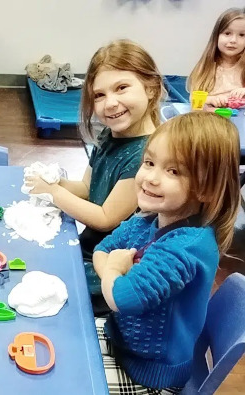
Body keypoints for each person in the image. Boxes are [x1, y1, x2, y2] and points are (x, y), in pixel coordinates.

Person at [93, 112, 241, 392]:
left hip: (150, 376)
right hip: (122, 343)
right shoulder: (148, 219)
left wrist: (113, 271)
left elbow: (122, 298)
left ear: (207, 190)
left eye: (173, 171)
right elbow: (103, 250)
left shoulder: (184, 248)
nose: (150, 178)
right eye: (149, 163)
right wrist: (115, 273)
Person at [25, 40, 164, 312]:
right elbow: (89, 187)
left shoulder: (146, 156)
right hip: (89, 251)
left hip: (110, 270)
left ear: (150, 87)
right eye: (99, 95)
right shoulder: (110, 136)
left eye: (121, 88)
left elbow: (105, 218)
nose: (110, 103)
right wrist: (52, 182)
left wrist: (54, 193)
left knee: (36, 288)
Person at [188, 7, 245, 109]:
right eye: (227, 33)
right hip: (212, 121)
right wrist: (212, 99)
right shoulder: (206, 67)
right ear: (216, 36)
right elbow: (193, 99)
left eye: (242, 35)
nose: (233, 40)